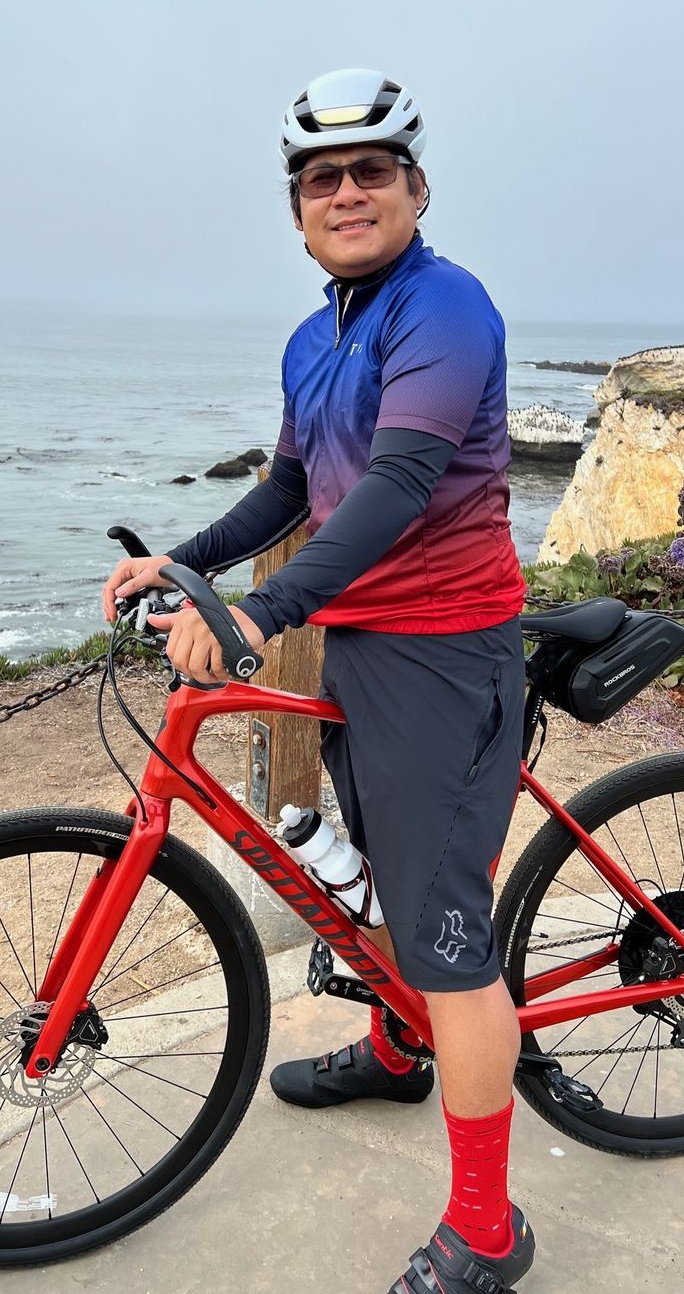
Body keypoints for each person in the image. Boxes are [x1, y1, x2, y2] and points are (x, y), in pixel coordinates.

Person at [101, 69, 535, 1294]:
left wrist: (257, 612)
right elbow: (293, 491)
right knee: (384, 876)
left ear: (415, 187)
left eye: (370, 173)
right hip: (362, 647)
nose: (346, 194)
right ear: (297, 212)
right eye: (320, 180)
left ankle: (488, 1231)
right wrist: (177, 563)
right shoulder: (316, 334)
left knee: (450, 941)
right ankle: (399, 1051)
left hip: (447, 657)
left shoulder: (445, 310)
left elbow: (398, 484)